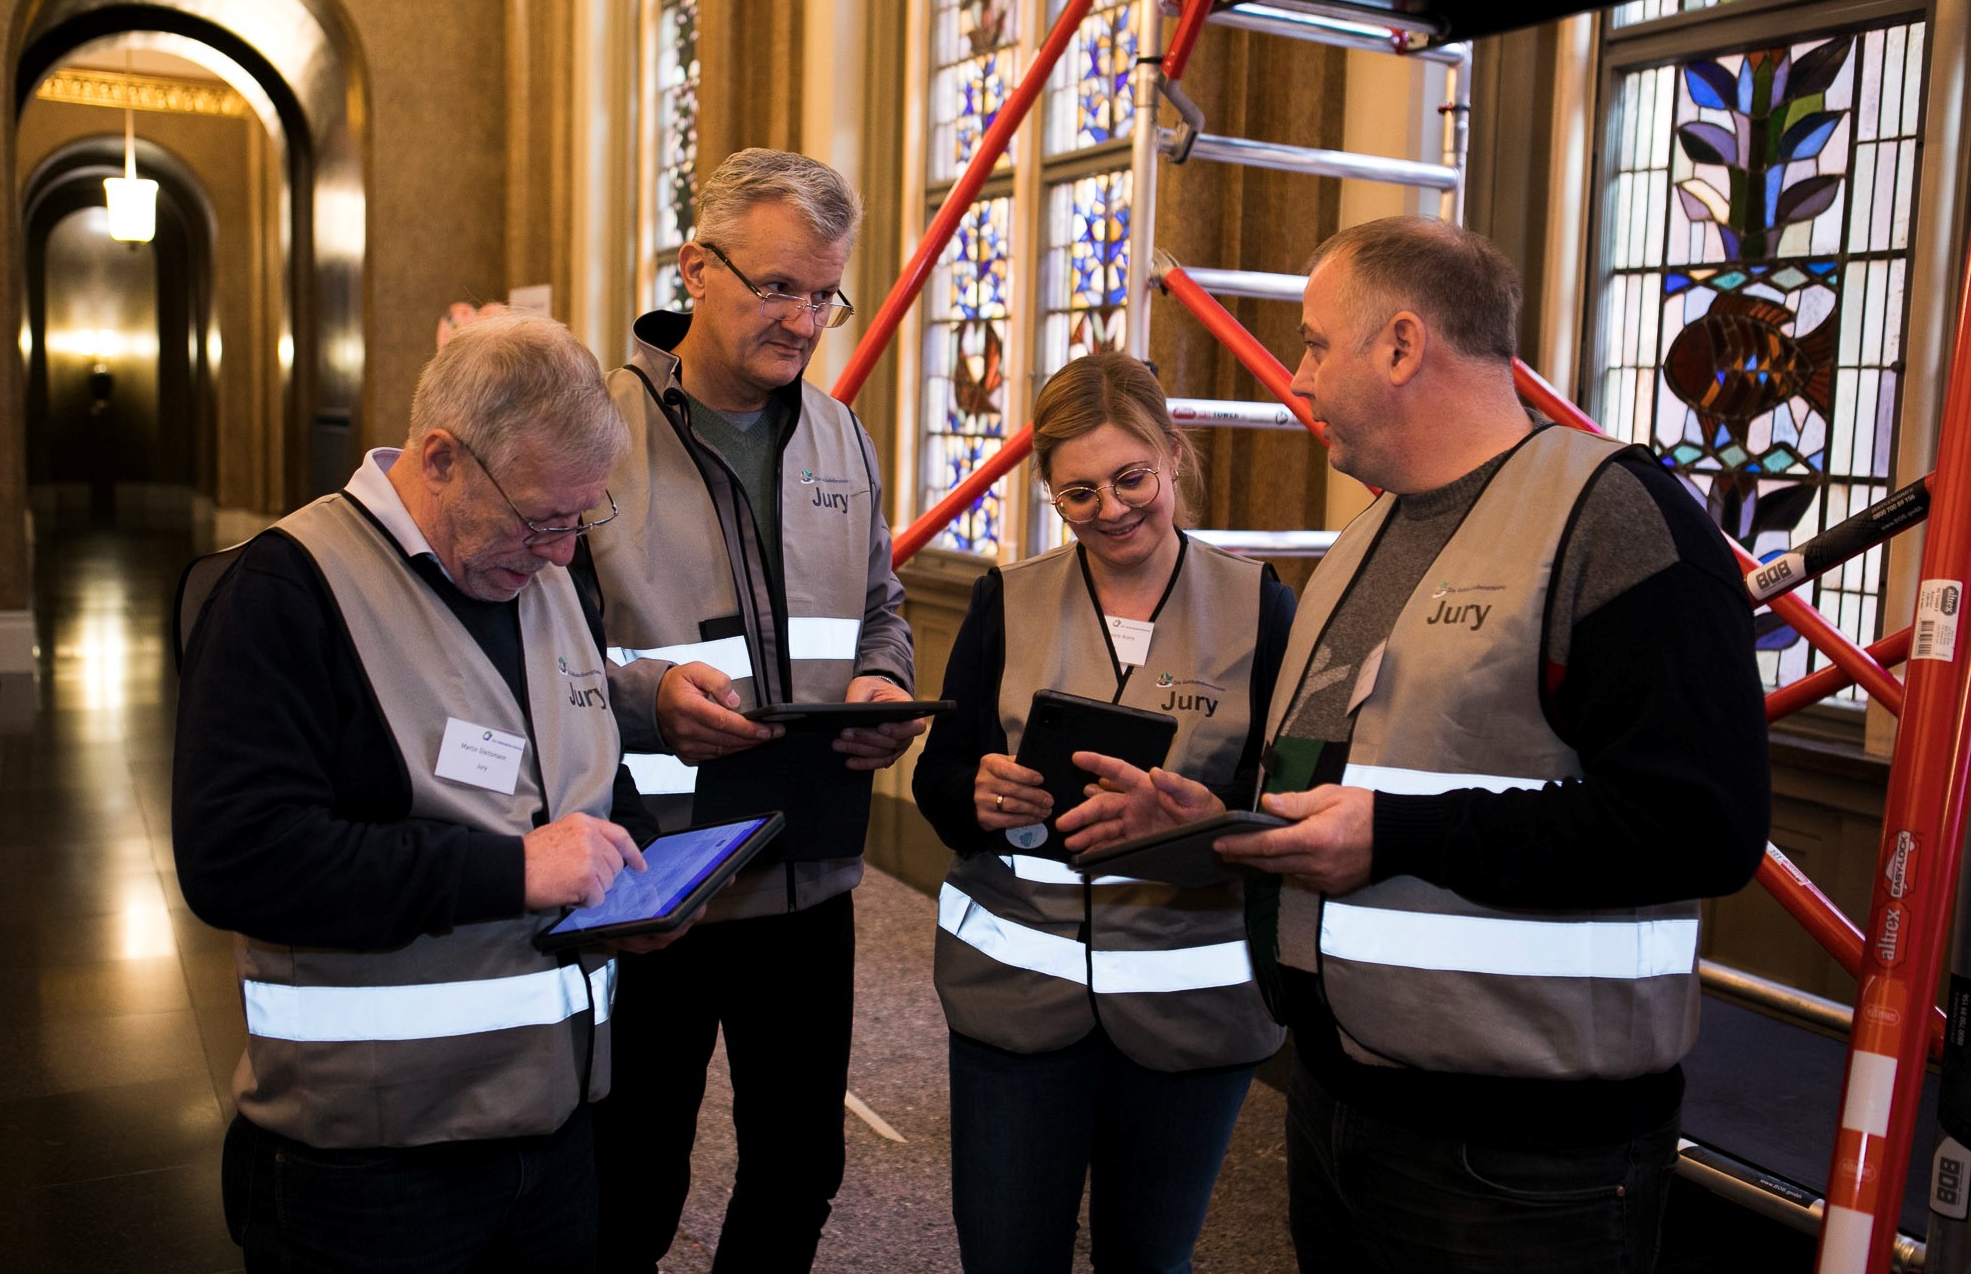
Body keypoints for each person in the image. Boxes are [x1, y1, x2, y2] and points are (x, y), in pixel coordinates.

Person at [1063, 217, 1770, 1273]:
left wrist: (1397, 834)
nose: (1296, 379)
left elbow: (1701, 825)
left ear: (1399, 346)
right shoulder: (1362, 541)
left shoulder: (1612, 519)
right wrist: (1217, 829)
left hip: (1525, 1161)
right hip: (1343, 1101)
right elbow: (1339, 788)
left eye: (1312, 343)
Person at [174, 311, 685, 1272]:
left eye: (582, 517)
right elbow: (237, 858)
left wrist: (635, 875)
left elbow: (593, 775)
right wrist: (512, 870)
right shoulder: (287, 590)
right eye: (540, 517)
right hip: (372, 1160)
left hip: (555, 1124)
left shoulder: (547, 579)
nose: (562, 552)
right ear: (441, 456)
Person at [585, 148, 921, 1272]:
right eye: (777, 286)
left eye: (823, 293)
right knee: (631, 1174)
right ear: (695, 265)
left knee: (797, 1169)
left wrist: (879, 682)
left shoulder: (839, 435)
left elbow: (882, 606)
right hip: (655, 877)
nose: (803, 319)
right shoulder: (592, 433)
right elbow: (533, 652)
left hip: (807, 869)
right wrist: (646, 700)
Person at [911, 351, 1295, 1273]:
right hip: (1017, 1001)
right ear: (1049, 489)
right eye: (1078, 492)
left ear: (1174, 456)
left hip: (1187, 1007)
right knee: (1006, 1254)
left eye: (1132, 479)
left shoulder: (1262, 607)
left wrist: (1209, 816)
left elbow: (1292, 802)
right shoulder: (1009, 596)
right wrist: (978, 793)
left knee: (1150, 1259)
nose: (1111, 509)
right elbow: (940, 775)